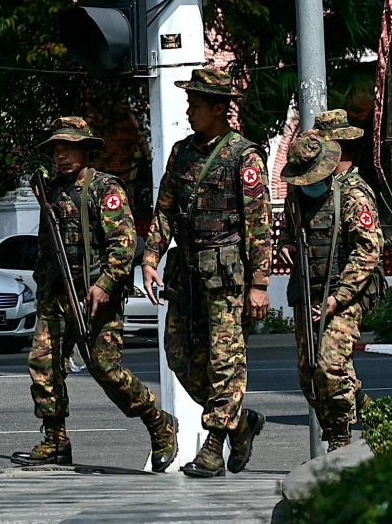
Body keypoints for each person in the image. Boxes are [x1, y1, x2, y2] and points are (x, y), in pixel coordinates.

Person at [10, 117, 178, 472]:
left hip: (96, 294)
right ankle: (55, 440)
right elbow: (46, 249)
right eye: (56, 149)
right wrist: (43, 289)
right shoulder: (52, 191)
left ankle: (158, 422)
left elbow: (125, 244)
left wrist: (104, 284)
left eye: (69, 147)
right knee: (43, 365)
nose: (61, 155)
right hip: (57, 295)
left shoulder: (105, 189)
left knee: (105, 368)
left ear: (86, 150)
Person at [141, 68, 273, 478]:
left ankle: (213, 446)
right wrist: (149, 259)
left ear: (219, 109)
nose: (189, 111)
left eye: (196, 105)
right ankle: (240, 421)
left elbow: (260, 223)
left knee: (225, 361)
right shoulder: (181, 153)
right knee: (179, 355)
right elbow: (164, 212)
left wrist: (259, 284)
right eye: (189, 103)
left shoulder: (243, 156)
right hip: (187, 275)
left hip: (228, 278)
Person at [276, 132, 384, 452]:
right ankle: (374, 414)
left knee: (330, 367)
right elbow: (288, 228)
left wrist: (338, 299)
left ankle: (339, 440)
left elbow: (368, 251)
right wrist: (285, 244)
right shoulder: (297, 196)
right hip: (308, 292)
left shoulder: (354, 196)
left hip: (343, 293)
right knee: (309, 374)